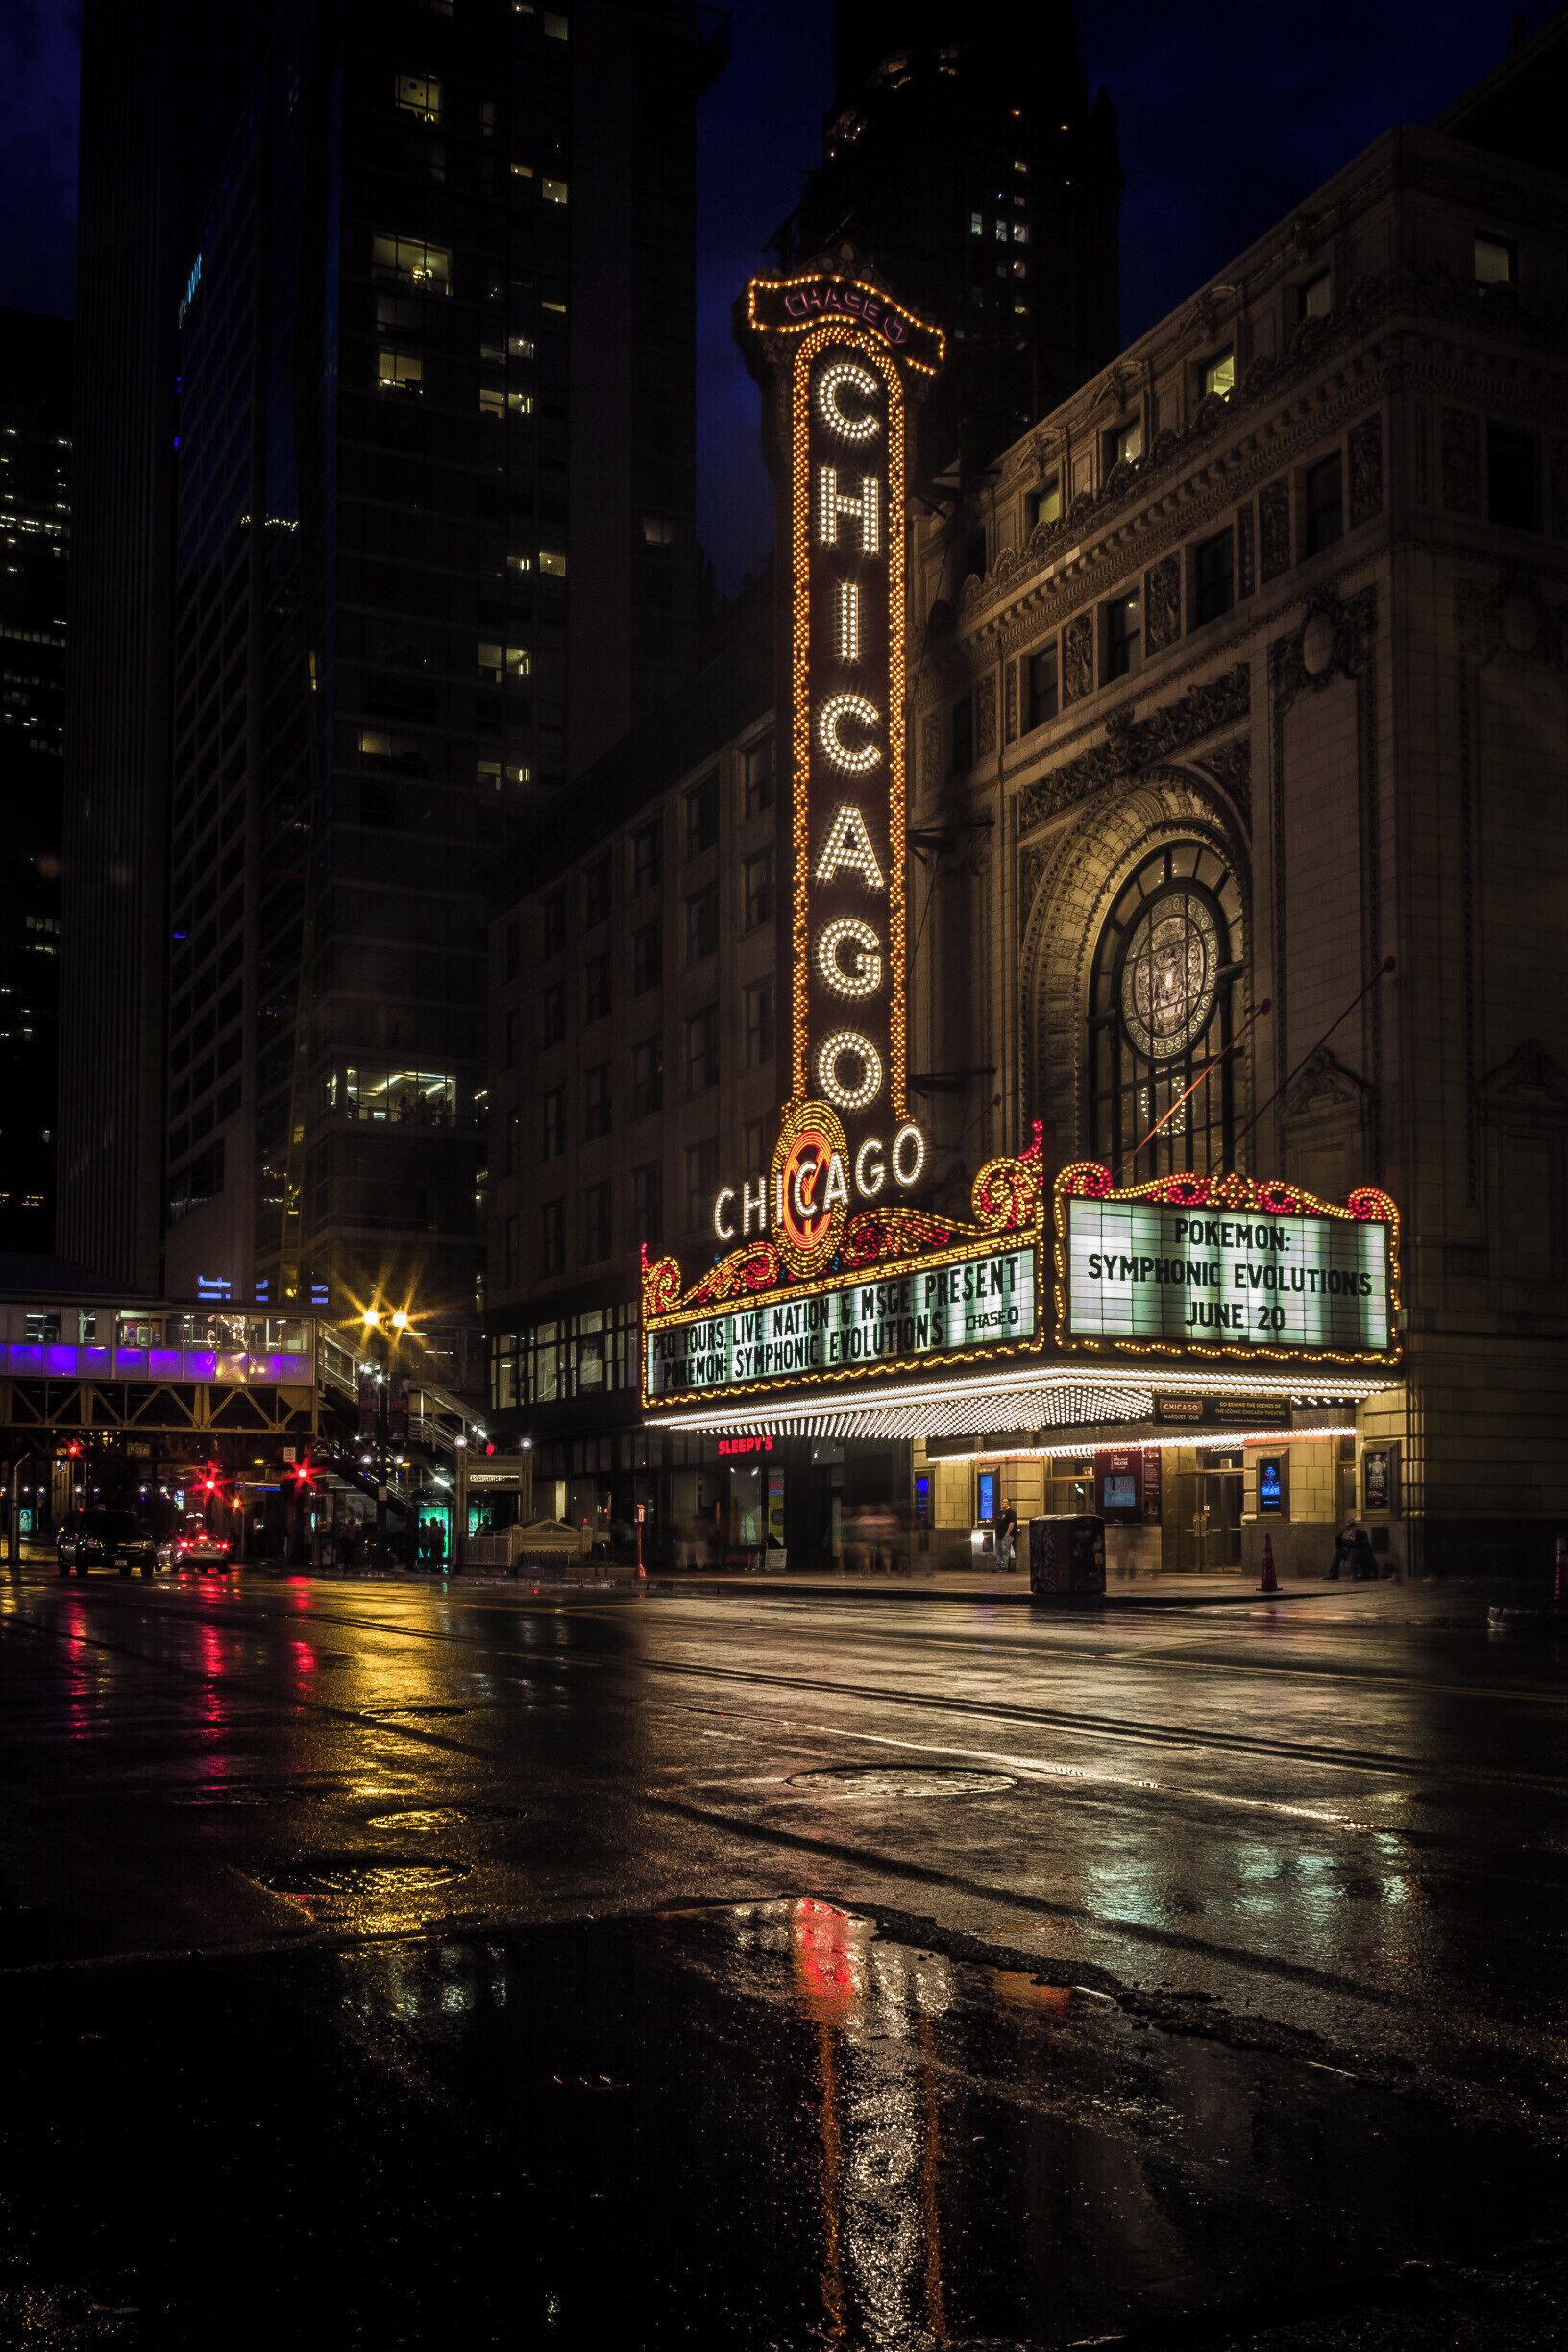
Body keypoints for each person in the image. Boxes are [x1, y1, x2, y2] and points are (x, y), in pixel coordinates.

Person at [995, 1496, 1018, 1573]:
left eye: (1004, 1502)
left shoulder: (1011, 1512)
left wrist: (1007, 1533)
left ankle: (1004, 1567)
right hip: (999, 1535)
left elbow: (1011, 1523)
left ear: (1008, 1504)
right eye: (1002, 1501)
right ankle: (998, 1566)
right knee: (998, 1551)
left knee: (1005, 1551)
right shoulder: (1001, 1512)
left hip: (1006, 1535)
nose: (1002, 1503)